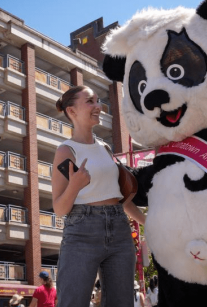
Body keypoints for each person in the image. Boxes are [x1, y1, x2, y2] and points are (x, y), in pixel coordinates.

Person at [52, 86, 145, 307]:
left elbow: (120, 198)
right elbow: (59, 208)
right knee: (72, 302)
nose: (98, 107)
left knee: (122, 303)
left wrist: (148, 223)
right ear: (72, 111)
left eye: (98, 101)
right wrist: (74, 185)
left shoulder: (105, 148)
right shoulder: (66, 151)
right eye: (90, 102)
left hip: (120, 230)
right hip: (82, 231)